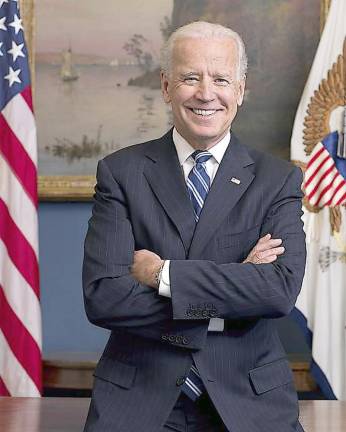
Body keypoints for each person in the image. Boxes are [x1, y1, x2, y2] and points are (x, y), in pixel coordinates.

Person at [82, 21, 306, 432]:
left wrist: (161, 274)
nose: (206, 93)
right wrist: (235, 290)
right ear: (167, 87)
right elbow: (105, 296)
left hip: (249, 401)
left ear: (240, 89)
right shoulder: (121, 173)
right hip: (139, 399)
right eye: (190, 77)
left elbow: (277, 293)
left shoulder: (277, 180)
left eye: (221, 78)